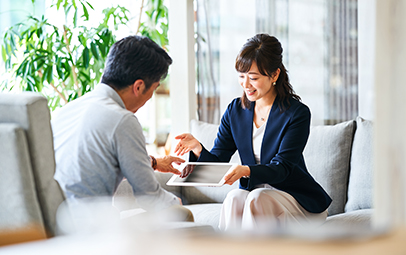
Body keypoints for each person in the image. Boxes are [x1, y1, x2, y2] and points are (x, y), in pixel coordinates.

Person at [174, 34, 331, 231]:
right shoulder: (235, 111)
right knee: (234, 197)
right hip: (256, 196)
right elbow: (219, 160)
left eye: (253, 78)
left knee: (257, 198)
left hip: (297, 200)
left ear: (274, 75)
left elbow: (283, 168)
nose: (245, 84)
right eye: (241, 76)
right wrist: (198, 149)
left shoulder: (296, 113)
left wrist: (246, 170)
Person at [52, 35, 192, 221]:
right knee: (181, 215)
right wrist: (175, 203)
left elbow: (102, 158)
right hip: (87, 228)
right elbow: (149, 197)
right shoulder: (122, 119)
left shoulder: (67, 110)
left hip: (54, 223)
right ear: (139, 86)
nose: (151, 96)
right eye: (155, 88)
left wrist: (155, 163)